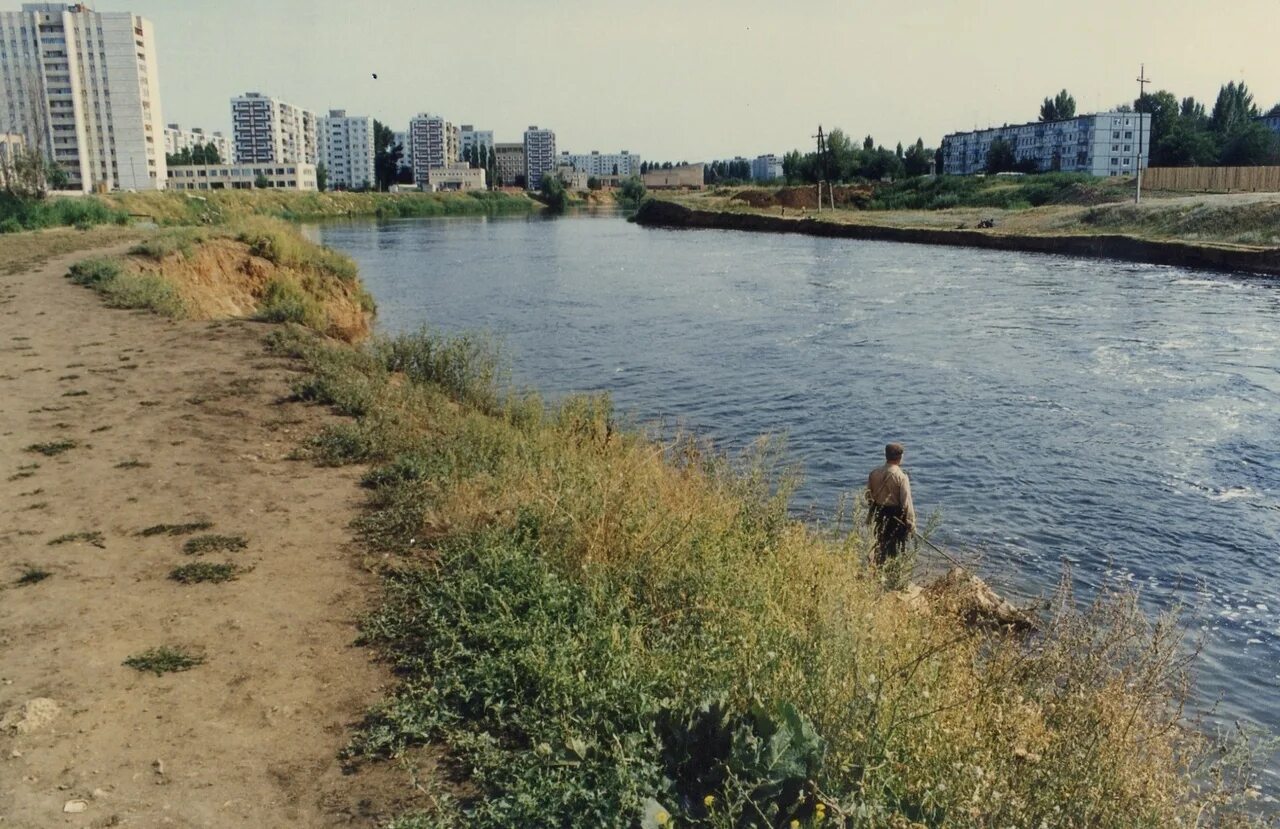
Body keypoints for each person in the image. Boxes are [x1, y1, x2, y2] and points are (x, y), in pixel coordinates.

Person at [865, 442, 916, 566]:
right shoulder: (901, 477)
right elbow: (906, 503)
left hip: (879, 514)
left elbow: (868, 496)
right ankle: (892, 577)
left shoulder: (874, 473)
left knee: (880, 544)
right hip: (896, 519)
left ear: (886, 455)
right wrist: (911, 523)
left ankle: (878, 571)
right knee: (896, 551)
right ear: (900, 457)